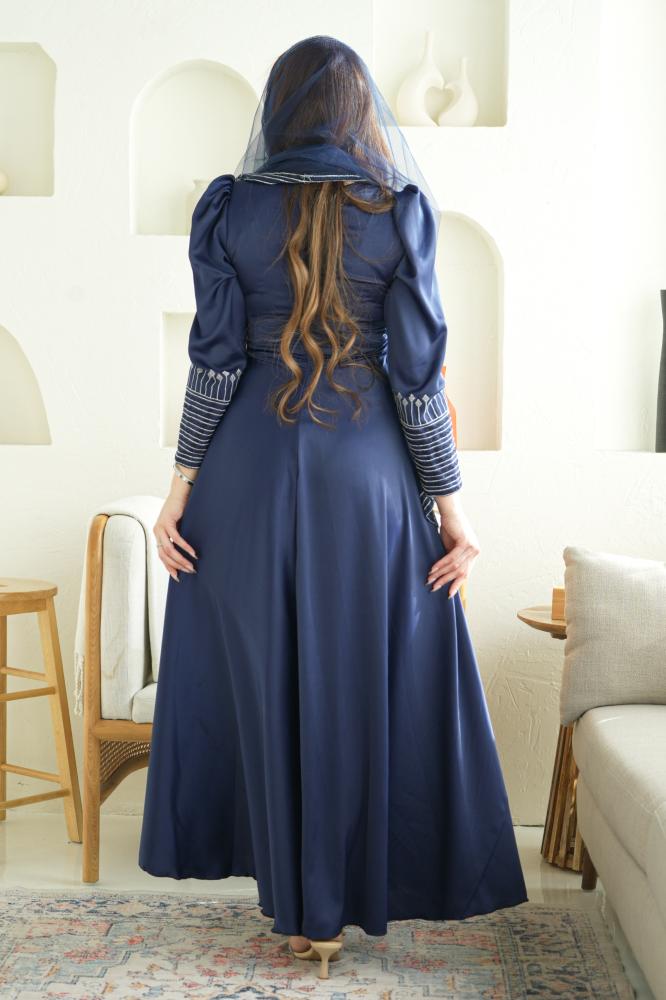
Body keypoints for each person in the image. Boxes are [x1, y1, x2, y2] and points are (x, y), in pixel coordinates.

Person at [138, 34, 528, 981]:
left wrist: (178, 491)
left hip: (247, 473)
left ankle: (298, 908)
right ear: (362, 113)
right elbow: (419, 383)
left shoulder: (228, 210)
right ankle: (340, 903)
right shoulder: (398, 212)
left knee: (264, 680)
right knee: (362, 679)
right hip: (369, 476)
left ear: (276, 109)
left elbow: (214, 364)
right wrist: (452, 508)